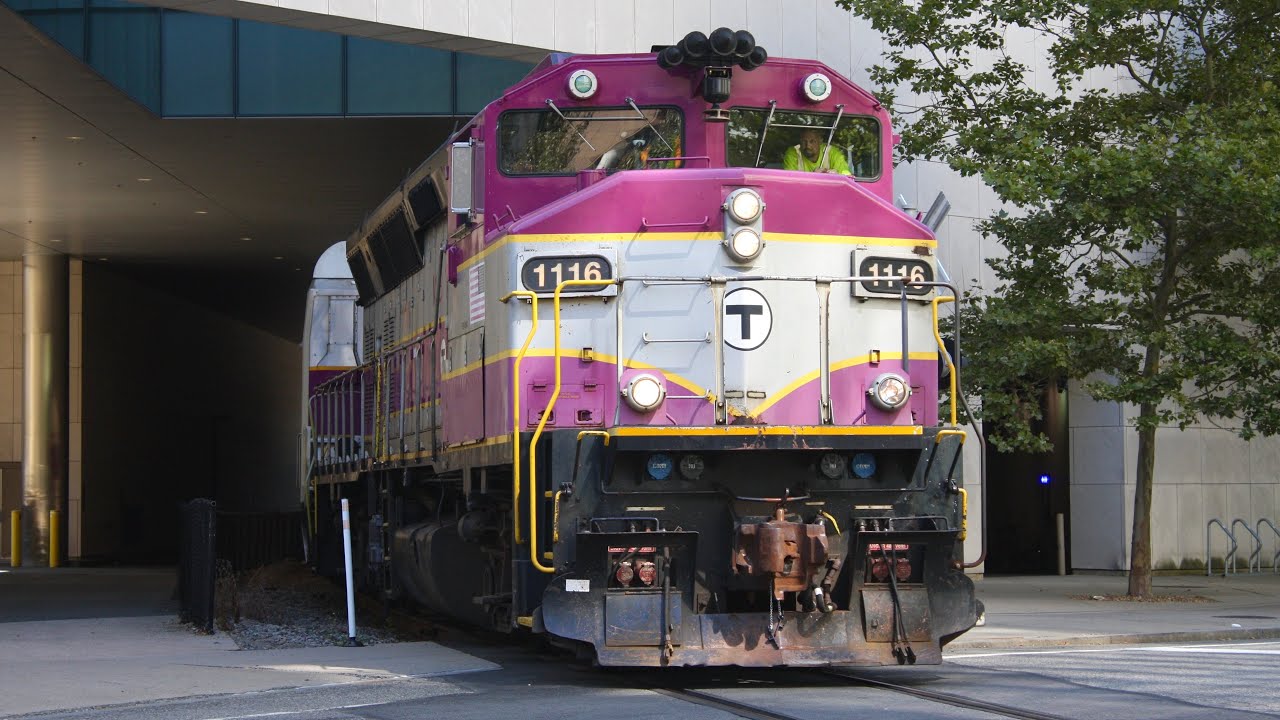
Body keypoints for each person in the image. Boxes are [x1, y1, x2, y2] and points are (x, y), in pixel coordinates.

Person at [782, 128, 852, 175]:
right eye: (804, 141)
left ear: (820, 141)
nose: (808, 146)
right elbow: (790, 180)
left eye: (812, 141)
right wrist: (814, 175)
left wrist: (836, 175)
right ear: (799, 141)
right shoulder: (794, 153)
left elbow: (847, 175)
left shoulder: (831, 152)